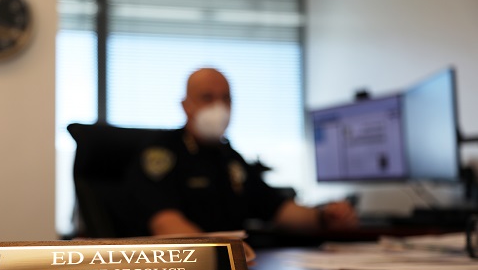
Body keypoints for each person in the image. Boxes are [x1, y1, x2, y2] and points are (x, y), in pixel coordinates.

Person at [126, 67, 358, 236]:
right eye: (207, 98)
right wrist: (220, 257)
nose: (219, 106)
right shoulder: (161, 152)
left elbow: (278, 209)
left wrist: (323, 217)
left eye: (226, 98)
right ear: (186, 106)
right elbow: (165, 224)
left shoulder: (230, 157)